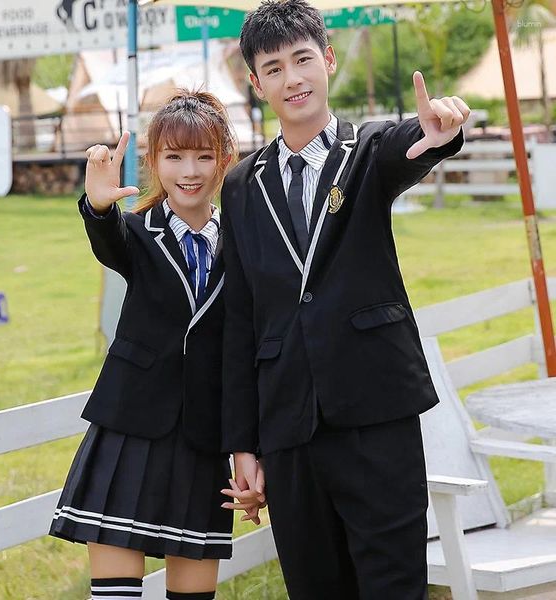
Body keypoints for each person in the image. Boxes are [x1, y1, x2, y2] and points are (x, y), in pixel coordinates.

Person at [220, 1, 470, 599]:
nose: (293, 78)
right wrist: (243, 441)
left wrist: (437, 134)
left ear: (328, 60)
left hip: (375, 411)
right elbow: (240, 319)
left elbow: (409, 147)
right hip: (288, 424)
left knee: (392, 584)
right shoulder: (240, 185)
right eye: (274, 68)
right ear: (257, 84)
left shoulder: (369, 151)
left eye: (303, 59)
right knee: (315, 586)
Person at [50, 90, 245, 600]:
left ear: (224, 161)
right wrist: (97, 205)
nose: (190, 170)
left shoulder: (245, 241)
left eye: (204, 156)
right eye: (174, 156)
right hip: (131, 429)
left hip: (204, 438)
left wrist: (251, 446)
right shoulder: (137, 232)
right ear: (154, 161)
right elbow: (108, 239)